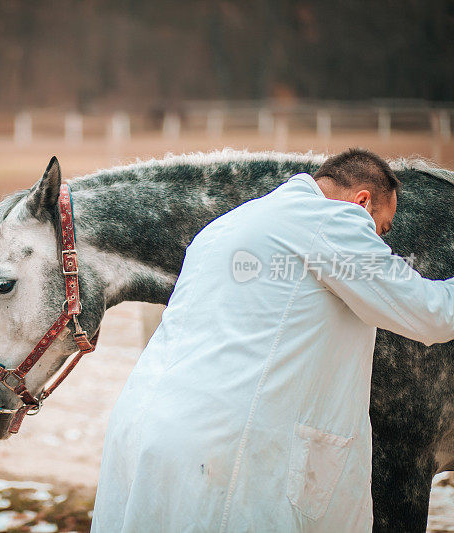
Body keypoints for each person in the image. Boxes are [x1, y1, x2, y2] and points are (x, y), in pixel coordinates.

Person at [91, 149, 454, 532]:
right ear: (362, 202)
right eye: (381, 229)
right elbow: (427, 313)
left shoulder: (225, 226)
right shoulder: (332, 220)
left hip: (143, 435)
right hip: (224, 452)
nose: (379, 242)